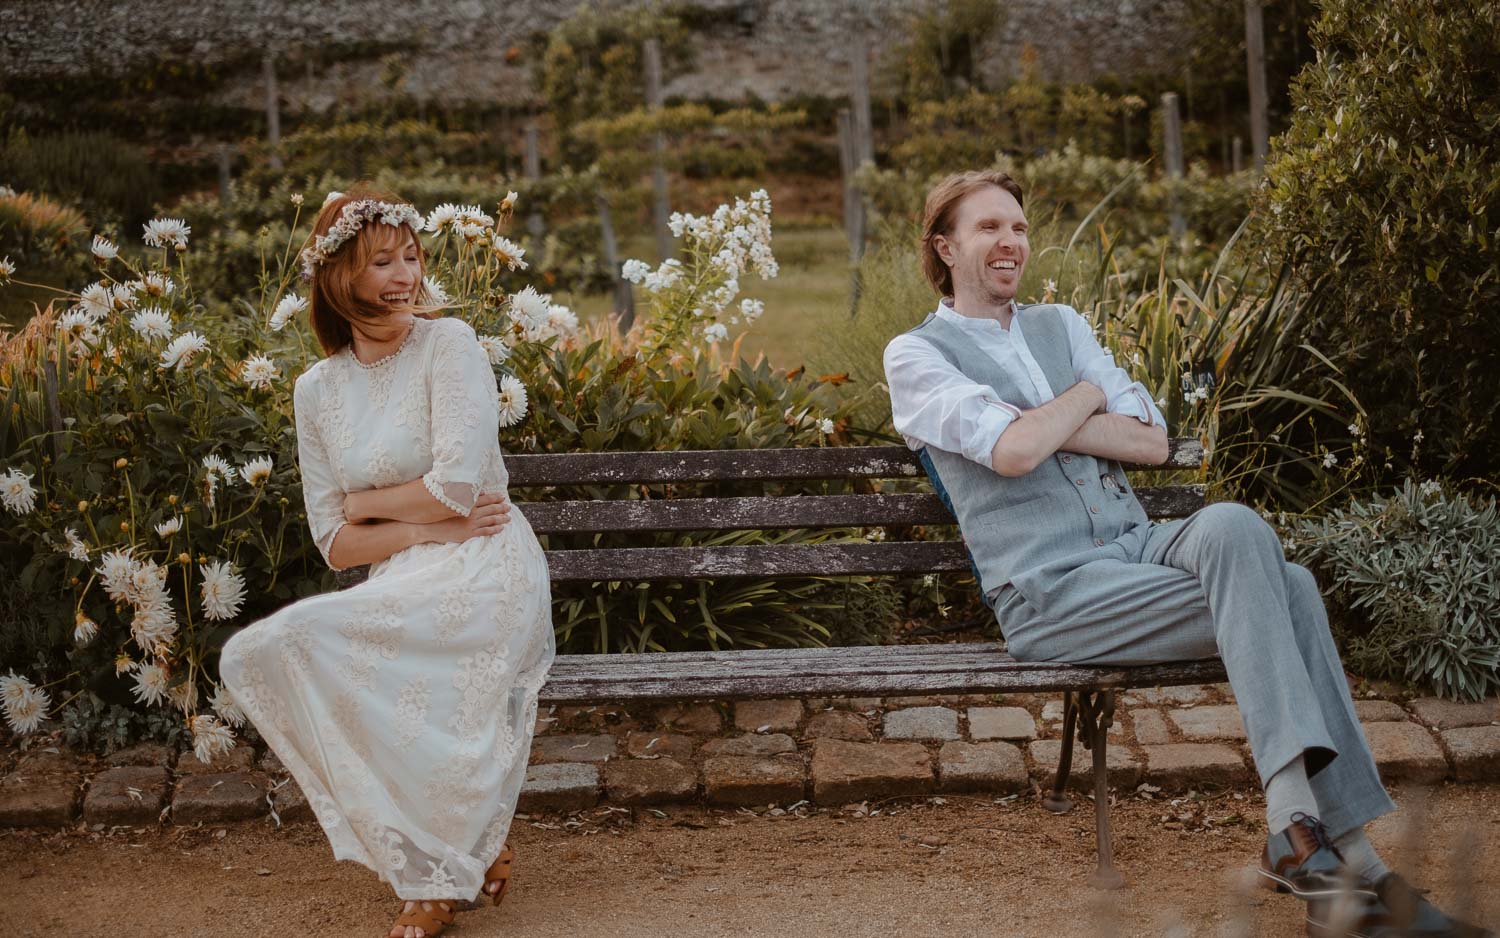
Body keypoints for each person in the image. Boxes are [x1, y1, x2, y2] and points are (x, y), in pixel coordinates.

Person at [882, 170, 1491, 938]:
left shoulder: (1060, 323)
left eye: (1019, 228)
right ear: (945, 245)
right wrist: (1084, 399)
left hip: (1137, 548)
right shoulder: (915, 355)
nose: (1010, 244)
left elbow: (1152, 440)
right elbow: (1012, 454)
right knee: (1293, 588)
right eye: (987, 229)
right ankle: (1350, 861)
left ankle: (1298, 829)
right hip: (1052, 592)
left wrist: (1041, 422)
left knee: (1239, 527)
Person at [220, 189, 555, 938]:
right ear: (341, 275)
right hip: (410, 567)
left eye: (411, 257)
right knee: (278, 643)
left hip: (488, 562)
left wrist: (370, 504)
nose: (405, 275)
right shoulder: (317, 391)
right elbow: (334, 541)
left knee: (419, 672)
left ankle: (432, 883)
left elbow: (459, 490)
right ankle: (477, 842)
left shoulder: (451, 345)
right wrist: (412, 526)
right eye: (382, 261)